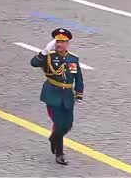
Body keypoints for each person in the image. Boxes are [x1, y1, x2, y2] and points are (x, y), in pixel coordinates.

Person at [30, 28, 83, 165]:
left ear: (67, 44)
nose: (59, 45)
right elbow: (33, 63)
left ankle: (54, 138)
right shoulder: (49, 56)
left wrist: (79, 93)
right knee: (59, 124)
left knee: (68, 125)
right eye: (57, 42)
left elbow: (78, 77)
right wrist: (44, 51)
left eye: (63, 42)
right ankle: (59, 154)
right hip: (52, 94)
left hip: (67, 96)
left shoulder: (73, 58)